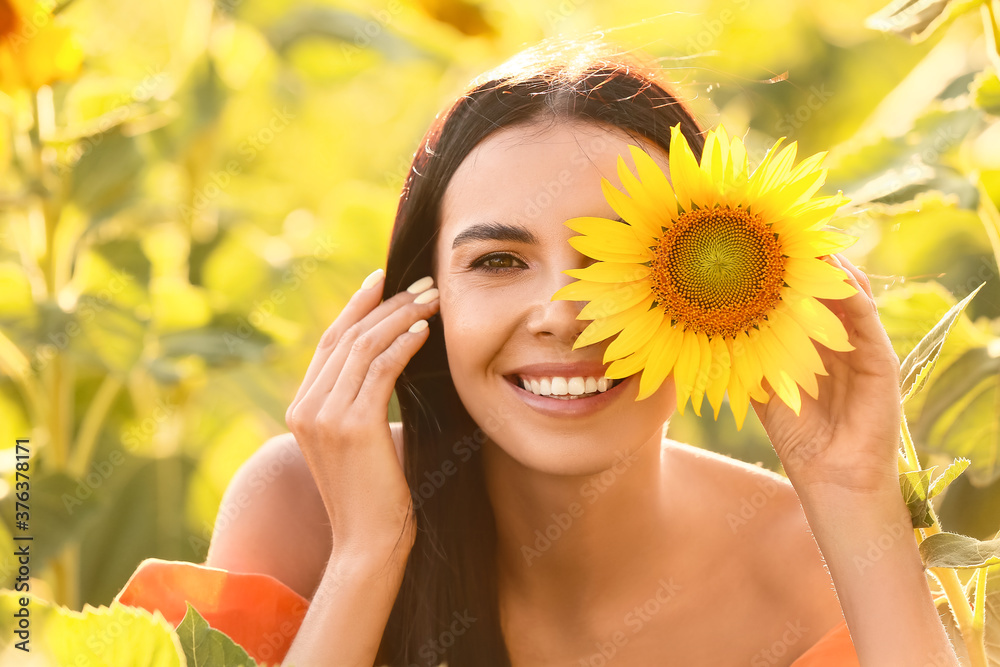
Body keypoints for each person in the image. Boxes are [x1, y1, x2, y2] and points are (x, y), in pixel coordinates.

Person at [117, 38, 961, 666]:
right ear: (421, 303)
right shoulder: (304, 508)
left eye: (618, 261)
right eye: (498, 261)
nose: (560, 312)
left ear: (725, 296)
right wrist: (367, 558)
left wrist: (856, 501)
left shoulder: (802, 557)